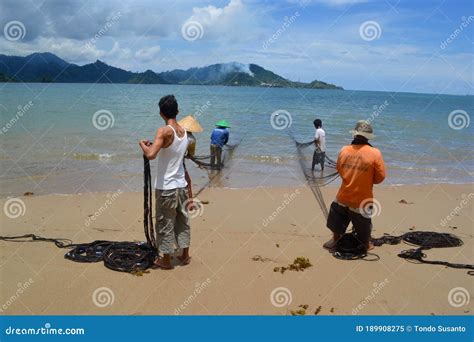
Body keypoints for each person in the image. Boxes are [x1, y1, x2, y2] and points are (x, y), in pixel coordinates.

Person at [139, 95, 193, 270]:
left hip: (166, 188)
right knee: (182, 220)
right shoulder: (184, 132)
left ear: (161, 113)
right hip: (181, 186)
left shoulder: (163, 131)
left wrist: (143, 144)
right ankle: (185, 255)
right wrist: (155, 145)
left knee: (165, 222)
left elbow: (151, 155)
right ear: (177, 111)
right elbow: (171, 151)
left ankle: (166, 260)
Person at [323, 120, 385, 251]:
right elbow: (380, 178)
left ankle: (335, 240)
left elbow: (340, 169)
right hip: (362, 200)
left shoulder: (344, 150)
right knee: (364, 223)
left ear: (355, 135)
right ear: (368, 137)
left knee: (336, 212)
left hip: (343, 197)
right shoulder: (375, 153)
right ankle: (366, 244)